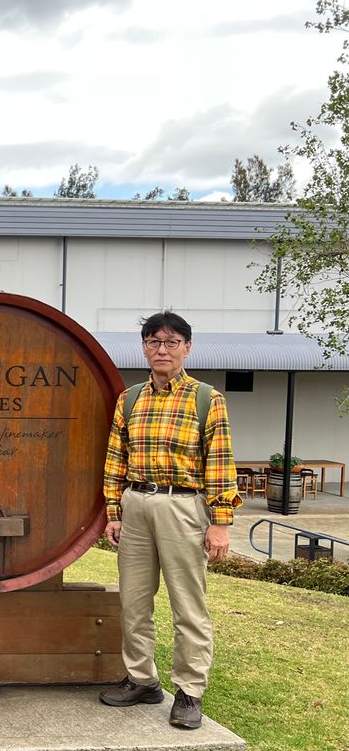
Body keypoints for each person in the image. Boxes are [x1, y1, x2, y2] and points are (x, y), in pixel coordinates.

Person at [99, 311, 241, 729]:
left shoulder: (206, 399)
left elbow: (220, 462)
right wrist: (114, 512)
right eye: (154, 342)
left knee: (187, 605)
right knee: (134, 601)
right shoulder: (130, 399)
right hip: (137, 503)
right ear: (144, 348)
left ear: (187, 348)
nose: (162, 349)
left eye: (171, 342)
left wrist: (220, 522)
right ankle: (142, 680)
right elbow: (116, 459)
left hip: (184, 505)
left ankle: (190, 692)